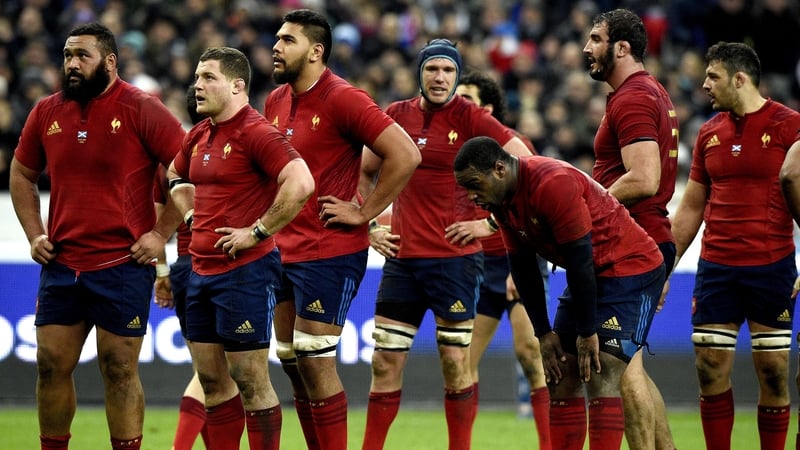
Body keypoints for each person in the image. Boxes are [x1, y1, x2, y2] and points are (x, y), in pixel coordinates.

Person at [8, 22, 186, 450]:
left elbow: (186, 171)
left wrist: (161, 234)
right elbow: (21, 172)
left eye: (81, 55)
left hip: (123, 264)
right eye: (68, 54)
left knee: (120, 368)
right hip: (62, 263)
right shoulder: (47, 111)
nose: (71, 63)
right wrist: (34, 233)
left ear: (109, 61)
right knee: (50, 365)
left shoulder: (142, 108)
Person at [361, 39, 533, 450]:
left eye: (449, 71)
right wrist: (367, 223)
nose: (440, 78)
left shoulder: (471, 118)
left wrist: (488, 225)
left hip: (455, 263)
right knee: (384, 362)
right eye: (433, 69)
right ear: (420, 73)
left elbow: (525, 166)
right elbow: (365, 170)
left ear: (457, 76)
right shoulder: (396, 115)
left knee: (456, 363)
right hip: (402, 262)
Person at [264, 9, 421, 450]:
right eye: (276, 38)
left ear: (316, 51)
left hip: (328, 250)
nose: (276, 46)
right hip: (282, 249)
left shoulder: (345, 98)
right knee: (292, 361)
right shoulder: (275, 101)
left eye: (287, 40)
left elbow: (405, 155)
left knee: (314, 360)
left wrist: (364, 213)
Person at [454, 135, 666, 450]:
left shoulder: (551, 183)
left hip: (630, 269)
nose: (472, 196)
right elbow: (522, 266)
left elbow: (580, 263)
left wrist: (586, 331)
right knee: (560, 373)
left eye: (474, 184)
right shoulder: (502, 201)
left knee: (601, 369)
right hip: (591, 273)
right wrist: (543, 332)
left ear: (499, 169)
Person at [166, 46, 315, 450]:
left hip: (244, 272)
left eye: (208, 77)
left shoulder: (257, 131)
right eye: (196, 77)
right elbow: (174, 174)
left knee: (250, 380)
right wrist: (193, 214)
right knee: (212, 383)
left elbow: (301, 183)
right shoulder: (199, 133)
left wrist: (258, 231)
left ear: (237, 86)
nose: (197, 85)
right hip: (199, 271)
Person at [671, 41, 800, 450]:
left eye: (713, 76)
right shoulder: (708, 133)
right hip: (717, 268)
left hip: (772, 264)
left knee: (774, 372)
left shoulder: (790, 126)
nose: (704, 84)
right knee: (710, 368)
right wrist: (663, 267)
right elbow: (691, 206)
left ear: (739, 79)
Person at [582, 8, 678, 449]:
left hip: (629, 244)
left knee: (618, 367)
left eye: (596, 39)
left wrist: (586, 210)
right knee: (629, 364)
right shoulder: (646, 92)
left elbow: (643, 179)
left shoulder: (634, 97)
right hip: (644, 240)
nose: (587, 49)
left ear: (622, 47)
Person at [448, 70, 551, 450]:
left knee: (530, 353)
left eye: (467, 100)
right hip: (477, 266)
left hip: (517, 258)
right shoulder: (458, 151)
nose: (458, 107)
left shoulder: (516, 148)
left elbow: (536, 204)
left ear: (487, 109)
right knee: (463, 363)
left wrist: (519, 265)